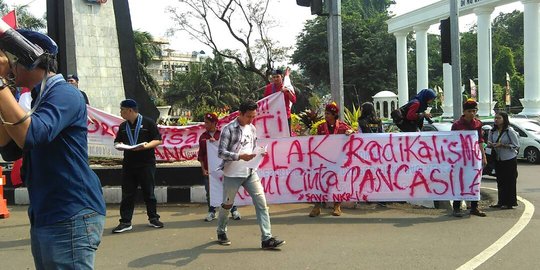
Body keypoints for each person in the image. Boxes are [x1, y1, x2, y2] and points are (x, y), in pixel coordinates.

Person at [0, 29, 106, 269]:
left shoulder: (65, 94)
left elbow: (31, 135)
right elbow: (10, 149)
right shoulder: (38, 98)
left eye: (13, 62)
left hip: (70, 213)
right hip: (49, 213)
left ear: (31, 60)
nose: (10, 70)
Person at [216, 100, 285, 249]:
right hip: (232, 174)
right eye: (248, 116)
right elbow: (221, 153)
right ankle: (221, 231)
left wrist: (259, 153)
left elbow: (252, 147)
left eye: (253, 116)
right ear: (240, 113)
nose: (251, 119)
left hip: (250, 172)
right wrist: (240, 156)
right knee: (227, 204)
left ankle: (266, 238)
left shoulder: (252, 128)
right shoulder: (228, 129)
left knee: (262, 204)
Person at [112, 99, 164, 233]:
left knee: (149, 192)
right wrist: (119, 146)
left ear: (130, 110)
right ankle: (125, 221)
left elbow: (158, 139)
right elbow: (117, 141)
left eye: (122, 110)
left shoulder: (148, 123)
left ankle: (153, 218)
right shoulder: (123, 126)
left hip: (146, 163)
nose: (121, 112)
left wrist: (146, 146)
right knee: (128, 193)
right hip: (129, 164)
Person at [309, 102, 353, 217]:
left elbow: (355, 133)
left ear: (334, 115)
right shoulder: (320, 127)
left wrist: (351, 132)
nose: (326, 115)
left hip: (338, 159)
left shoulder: (343, 126)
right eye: (325, 113)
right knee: (320, 183)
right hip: (323, 159)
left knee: (336, 182)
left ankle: (337, 206)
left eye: (328, 113)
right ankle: (317, 207)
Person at [197, 112, 241, 222]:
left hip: (224, 169)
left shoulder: (222, 135)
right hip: (210, 170)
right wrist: (203, 169)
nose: (205, 124)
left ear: (214, 123)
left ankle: (233, 210)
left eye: (207, 122)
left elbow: (229, 149)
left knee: (229, 190)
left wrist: (215, 142)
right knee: (210, 192)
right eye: (205, 122)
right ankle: (211, 211)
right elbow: (201, 156)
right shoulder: (203, 137)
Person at [450, 99, 487, 217]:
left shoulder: (478, 124)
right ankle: (457, 207)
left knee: (475, 181)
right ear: (464, 112)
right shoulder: (457, 125)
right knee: (459, 182)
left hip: (474, 158)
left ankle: (474, 207)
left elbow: (480, 141)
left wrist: (483, 156)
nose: (472, 113)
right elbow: (452, 141)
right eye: (469, 111)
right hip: (460, 159)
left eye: (474, 111)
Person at [487, 111, 520, 210]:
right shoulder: (492, 131)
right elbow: (489, 143)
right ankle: (501, 202)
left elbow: (516, 145)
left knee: (509, 181)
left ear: (504, 119)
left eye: (499, 118)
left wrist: (503, 145)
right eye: (495, 118)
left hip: (509, 159)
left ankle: (510, 203)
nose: (496, 120)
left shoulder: (509, 131)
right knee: (500, 181)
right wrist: (490, 144)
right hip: (498, 158)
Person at [263, 69, 296, 134]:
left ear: (282, 77)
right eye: (274, 77)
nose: (275, 79)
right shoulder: (268, 88)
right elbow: (265, 102)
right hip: (273, 117)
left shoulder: (287, 87)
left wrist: (288, 92)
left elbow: (294, 100)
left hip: (285, 117)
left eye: (277, 76)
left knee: (286, 136)